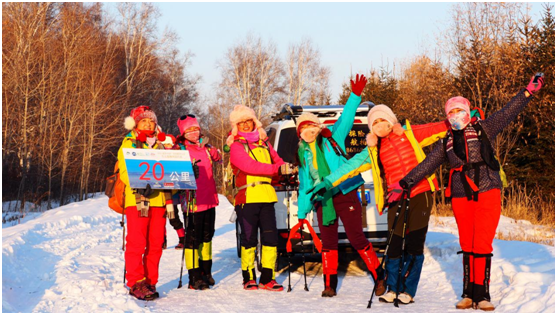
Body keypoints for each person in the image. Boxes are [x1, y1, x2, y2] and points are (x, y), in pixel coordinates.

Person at [398, 75, 544, 311]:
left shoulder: (484, 127)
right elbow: (428, 164)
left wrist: (527, 92)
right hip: (459, 195)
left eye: (459, 110)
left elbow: (507, 113)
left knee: (482, 242)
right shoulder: (446, 140)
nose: (455, 115)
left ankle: (483, 294)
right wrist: (406, 181)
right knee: (467, 242)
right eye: (451, 112)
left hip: (487, 190)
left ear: (467, 111)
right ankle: (468, 293)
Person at [308, 102, 449, 303]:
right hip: (395, 197)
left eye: (384, 120)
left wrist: (459, 117)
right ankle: (393, 287)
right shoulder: (373, 150)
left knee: (414, 244)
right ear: (371, 127)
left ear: (391, 120)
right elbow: (350, 166)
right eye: (375, 122)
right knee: (393, 243)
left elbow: (437, 129)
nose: (380, 125)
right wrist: (328, 182)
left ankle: (408, 290)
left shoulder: (409, 134)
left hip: (421, 192)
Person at [296, 74, 385, 298]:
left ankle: (379, 276)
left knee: (357, 238)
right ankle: (329, 284)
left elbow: (346, 118)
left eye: (311, 128)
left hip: (345, 192)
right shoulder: (303, 156)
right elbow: (305, 185)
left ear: (317, 127)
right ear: (300, 134)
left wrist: (355, 96)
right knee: (328, 242)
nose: (309, 133)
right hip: (322, 200)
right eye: (304, 130)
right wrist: (301, 213)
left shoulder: (333, 137)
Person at [226, 105, 292, 291]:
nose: (246, 125)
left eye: (249, 121)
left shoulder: (264, 143)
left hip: (267, 195)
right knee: (249, 240)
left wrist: (286, 168)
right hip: (247, 197)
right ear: (236, 126)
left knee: (271, 238)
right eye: (242, 122)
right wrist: (275, 169)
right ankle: (248, 277)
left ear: (254, 122)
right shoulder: (236, 146)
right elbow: (249, 166)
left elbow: (277, 160)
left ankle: (267, 277)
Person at [118, 105, 171, 301]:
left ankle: (150, 281)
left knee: (156, 244)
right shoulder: (129, 143)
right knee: (137, 242)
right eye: (144, 121)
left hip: (158, 201)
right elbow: (125, 169)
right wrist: (137, 183)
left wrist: (185, 178)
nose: (148, 123)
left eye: (151, 121)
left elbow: (169, 170)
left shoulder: (162, 145)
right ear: (136, 124)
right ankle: (135, 281)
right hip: (137, 199)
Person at [171, 114, 222, 290]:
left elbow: (219, 157)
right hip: (191, 200)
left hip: (209, 199)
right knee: (193, 239)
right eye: (189, 130)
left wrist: (213, 148)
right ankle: (194, 276)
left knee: (207, 237)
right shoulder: (179, 149)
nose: (194, 133)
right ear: (183, 133)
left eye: (196, 129)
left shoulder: (206, 148)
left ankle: (206, 272)